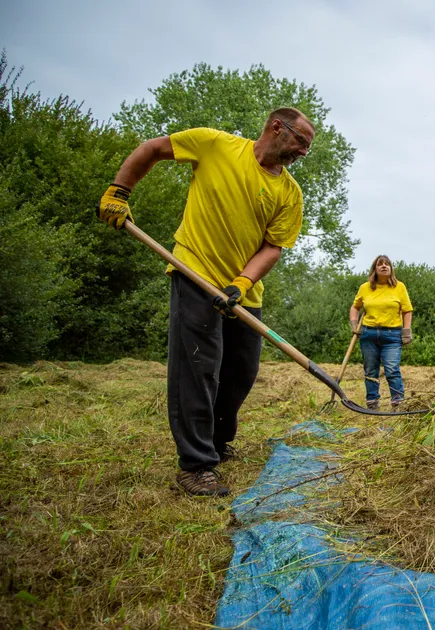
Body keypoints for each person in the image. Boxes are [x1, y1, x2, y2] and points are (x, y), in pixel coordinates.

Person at [97, 107, 314, 496]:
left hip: (242, 291)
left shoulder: (290, 194)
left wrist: (242, 283)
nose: (302, 153)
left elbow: (272, 248)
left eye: (306, 148)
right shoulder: (215, 144)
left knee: (240, 374)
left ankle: (215, 442)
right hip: (194, 272)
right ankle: (196, 466)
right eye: (301, 142)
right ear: (277, 127)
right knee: (197, 369)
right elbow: (152, 149)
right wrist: (119, 191)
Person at [349, 255, 414, 411]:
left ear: (391, 268)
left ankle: (398, 404)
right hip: (368, 334)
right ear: (375, 269)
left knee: (392, 369)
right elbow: (355, 307)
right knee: (370, 370)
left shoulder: (399, 287)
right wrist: (353, 323)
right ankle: (372, 404)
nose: (384, 266)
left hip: (392, 335)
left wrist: (406, 331)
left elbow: (407, 310)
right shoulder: (365, 287)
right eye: (380, 264)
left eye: (387, 264)